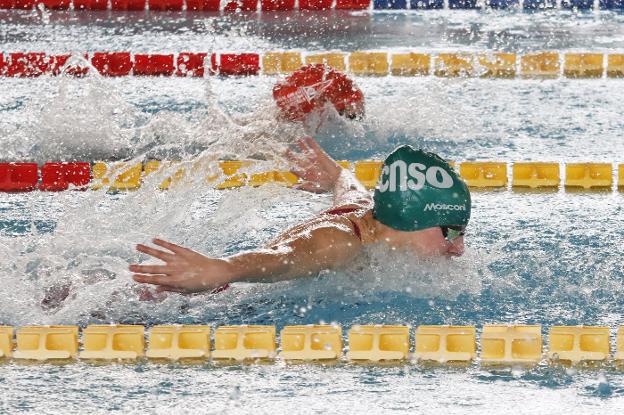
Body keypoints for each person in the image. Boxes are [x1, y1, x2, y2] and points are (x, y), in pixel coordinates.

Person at [129, 136, 471, 294]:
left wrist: (335, 175)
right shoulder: (338, 242)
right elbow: (282, 259)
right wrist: (222, 269)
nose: (458, 248)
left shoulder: (367, 215)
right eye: (453, 232)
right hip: (185, 301)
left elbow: (349, 188)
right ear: (411, 219)